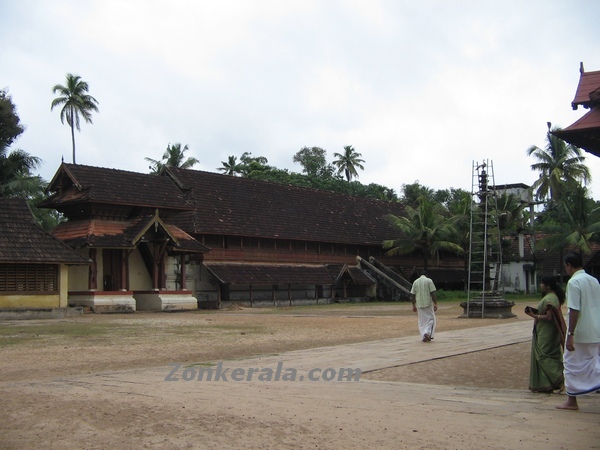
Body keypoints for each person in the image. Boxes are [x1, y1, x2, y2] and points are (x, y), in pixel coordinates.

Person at [556, 252, 600, 411]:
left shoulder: (574, 282)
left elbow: (574, 309)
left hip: (581, 331)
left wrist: (571, 334)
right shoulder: (594, 280)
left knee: (570, 364)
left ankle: (571, 400)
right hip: (596, 329)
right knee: (593, 362)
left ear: (569, 265)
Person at [525, 276, 566, 393]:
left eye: (542, 283)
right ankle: (546, 384)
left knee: (542, 356)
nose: (540, 286)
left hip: (547, 333)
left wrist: (534, 316)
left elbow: (549, 317)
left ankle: (559, 377)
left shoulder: (550, 299)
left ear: (548, 285)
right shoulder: (553, 297)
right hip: (546, 331)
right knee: (548, 355)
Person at [410, 271, 437, 342]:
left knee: (421, 321)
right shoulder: (429, 281)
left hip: (419, 304)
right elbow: (432, 293)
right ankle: (427, 333)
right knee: (431, 319)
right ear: (426, 275)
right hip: (428, 303)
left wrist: (413, 305)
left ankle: (423, 335)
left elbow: (413, 295)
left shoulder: (415, 282)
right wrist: (435, 303)